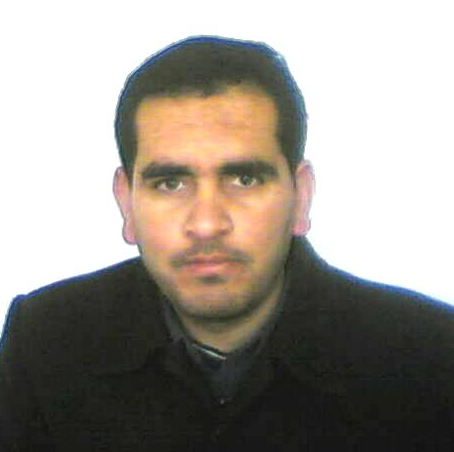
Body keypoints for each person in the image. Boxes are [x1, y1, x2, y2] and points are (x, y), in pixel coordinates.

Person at [1, 36, 454, 451]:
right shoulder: (44, 343)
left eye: (244, 179)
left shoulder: (429, 358)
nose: (206, 224)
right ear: (126, 202)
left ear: (300, 197)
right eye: (170, 183)